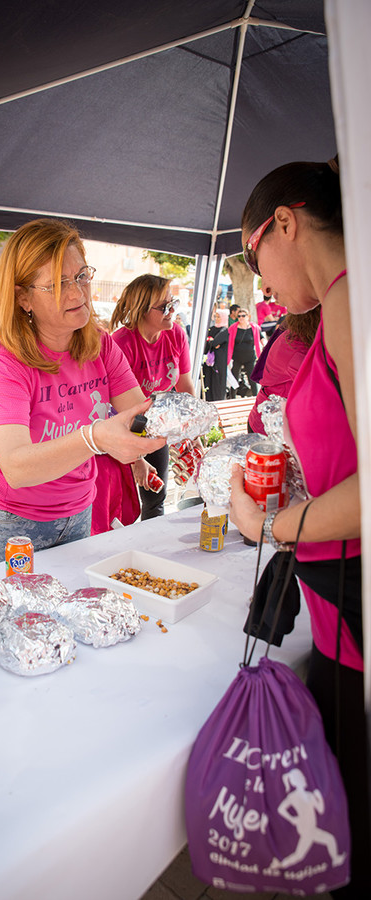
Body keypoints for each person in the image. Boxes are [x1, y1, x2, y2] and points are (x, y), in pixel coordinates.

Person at [229, 158, 368, 899]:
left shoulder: (348, 299)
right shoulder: (338, 304)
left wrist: (273, 523)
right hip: (339, 602)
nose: (263, 286)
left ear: (285, 221)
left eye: (255, 261)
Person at [0, 218, 165, 565]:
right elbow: (16, 468)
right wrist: (93, 439)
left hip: (78, 508)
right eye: (58, 284)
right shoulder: (4, 364)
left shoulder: (101, 346)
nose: (77, 293)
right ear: (23, 297)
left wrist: (175, 429)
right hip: (10, 519)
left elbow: (142, 413)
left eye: (81, 277)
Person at [110, 274, 195, 519]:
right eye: (164, 306)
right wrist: (136, 460)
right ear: (142, 309)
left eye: (173, 303)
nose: (172, 311)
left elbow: (185, 388)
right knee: (121, 509)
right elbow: (114, 410)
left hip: (156, 429)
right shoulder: (122, 344)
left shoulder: (176, 335)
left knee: (156, 498)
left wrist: (193, 431)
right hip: (121, 431)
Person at [247, 307, 320, 434]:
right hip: (268, 429)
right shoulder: (295, 347)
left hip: (278, 424)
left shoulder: (298, 336)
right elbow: (322, 389)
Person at [227, 308, 262, 397]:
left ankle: (256, 397)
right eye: (239, 316)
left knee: (252, 379)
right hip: (237, 357)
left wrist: (264, 346)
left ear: (248, 317)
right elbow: (227, 339)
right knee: (234, 378)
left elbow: (261, 338)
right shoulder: (233, 328)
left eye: (243, 316)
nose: (241, 318)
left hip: (250, 357)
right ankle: (232, 398)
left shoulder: (254, 328)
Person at [202, 308, 229, 402]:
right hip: (209, 362)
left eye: (219, 317)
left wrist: (211, 342)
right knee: (208, 382)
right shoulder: (212, 329)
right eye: (216, 316)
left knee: (217, 383)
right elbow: (206, 344)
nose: (217, 318)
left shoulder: (225, 330)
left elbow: (214, 342)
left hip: (219, 361)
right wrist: (211, 342)